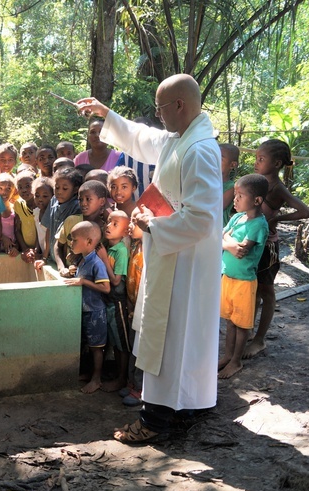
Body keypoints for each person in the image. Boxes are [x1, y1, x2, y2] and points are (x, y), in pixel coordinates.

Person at [77, 73, 223, 443]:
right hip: (174, 256)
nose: (157, 115)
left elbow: (202, 218)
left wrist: (152, 223)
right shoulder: (181, 139)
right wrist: (106, 114)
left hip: (184, 264)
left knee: (172, 337)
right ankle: (186, 409)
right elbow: (144, 138)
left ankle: (155, 421)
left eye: (160, 108)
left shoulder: (199, 149)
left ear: (179, 106)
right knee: (180, 338)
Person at [244, 139, 309, 359]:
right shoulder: (258, 182)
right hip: (253, 243)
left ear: (277, 164)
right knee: (252, 289)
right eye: (256, 158)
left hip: (268, 246)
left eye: (261, 159)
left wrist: (277, 218)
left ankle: (260, 340)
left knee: (267, 291)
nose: (256, 162)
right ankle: (249, 330)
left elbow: (305, 210)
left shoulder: (277, 189)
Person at [219, 174, 269, 379]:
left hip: (244, 283)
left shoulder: (258, 225)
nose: (235, 199)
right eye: (235, 195)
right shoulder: (237, 217)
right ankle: (228, 356)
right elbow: (222, 235)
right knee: (230, 321)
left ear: (257, 200)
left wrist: (226, 241)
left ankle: (236, 361)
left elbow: (241, 250)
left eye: (240, 196)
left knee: (241, 324)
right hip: (228, 278)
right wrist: (228, 242)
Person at [63, 221, 110, 394]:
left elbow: (106, 288)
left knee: (97, 347)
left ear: (89, 242)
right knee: (88, 344)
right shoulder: (83, 259)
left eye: (75, 240)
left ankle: (96, 379)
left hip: (95, 311)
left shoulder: (96, 263)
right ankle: (89, 374)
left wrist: (83, 281)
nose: (71, 243)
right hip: (85, 309)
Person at [101, 210, 131, 392]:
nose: (109, 227)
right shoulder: (109, 246)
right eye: (109, 222)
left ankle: (122, 378)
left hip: (118, 302)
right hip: (109, 301)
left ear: (125, 231)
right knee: (115, 341)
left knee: (122, 343)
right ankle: (118, 374)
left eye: (115, 225)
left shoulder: (120, 250)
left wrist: (104, 259)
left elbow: (116, 281)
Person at [54, 180, 109, 275]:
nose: (83, 203)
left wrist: (80, 255)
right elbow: (58, 246)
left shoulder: (105, 230)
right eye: (80, 199)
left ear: (102, 201)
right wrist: (62, 268)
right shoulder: (71, 221)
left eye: (88, 199)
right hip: (68, 275)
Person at [122, 217, 145, 406]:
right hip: (133, 305)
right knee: (132, 346)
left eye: (135, 222)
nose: (130, 226)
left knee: (140, 349)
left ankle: (139, 389)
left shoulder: (149, 250)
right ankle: (132, 384)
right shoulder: (136, 246)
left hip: (143, 308)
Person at [47, 167, 83, 269]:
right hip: (55, 259)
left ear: (75, 189)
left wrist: (63, 266)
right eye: (57, 187)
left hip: (69, 263)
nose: (59, 192)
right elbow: (48, 229)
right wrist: (45, 257)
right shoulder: (53, 200)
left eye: (65, 188)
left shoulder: (77, 207)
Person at [13, 171, 38, 263]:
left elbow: (42, 230)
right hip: (26, 248)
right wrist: (25, 249)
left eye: (28, 186)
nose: (24, 190)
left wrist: (36, 250)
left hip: (39, 249)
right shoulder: (18, 204)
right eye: (20, 187)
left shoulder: (41, 205)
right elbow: (17, 229)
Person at [0, 173, 19, 256]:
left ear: (14, 191)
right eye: (0, 188)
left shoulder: (15, 209)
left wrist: (16, 248)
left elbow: (19, 232)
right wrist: (2, 237)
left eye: (8, 188)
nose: (4, 192)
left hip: (11, 252)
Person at [31, 176, 54, 262]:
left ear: (53, 196)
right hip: (43, 255)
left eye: (45, 196)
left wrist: (45, 256)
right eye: (37, 196)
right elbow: (39, 234)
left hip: (51, 256)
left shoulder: (53, 214)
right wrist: (37, 249)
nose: (40, 199)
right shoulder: (36, 212)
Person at [219, 144, 239, 227]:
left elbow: (217, 208)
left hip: (218, 229)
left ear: (232, 165)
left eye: (220, 159)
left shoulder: (231, 187)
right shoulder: (206, 180)